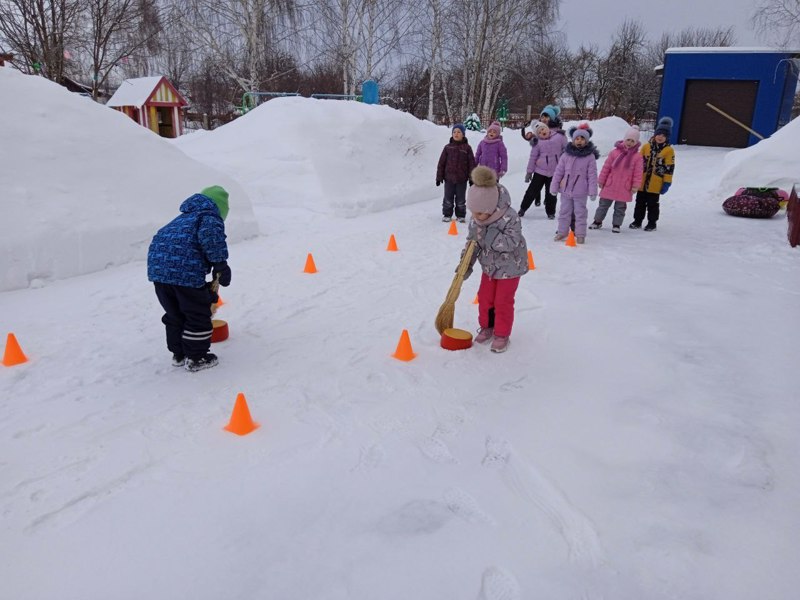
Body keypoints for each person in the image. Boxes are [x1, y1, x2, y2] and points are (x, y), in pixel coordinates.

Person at [147, 186, 232, 372]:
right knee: (197, 314)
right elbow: (212, 240)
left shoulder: (182, 218)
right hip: (185, 272)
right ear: (219, 207)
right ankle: (197, 357)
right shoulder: (208, 217)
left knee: (175, 314)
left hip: (158, 272)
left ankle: (179, 354)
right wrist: (220, 264)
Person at [461, 166, 529, 353]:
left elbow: (512, 241)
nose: (476, 217)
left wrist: (490, 236)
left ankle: (501, 334)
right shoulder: (477, 219)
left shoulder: (510, 217)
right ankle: (487, 327)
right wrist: (465, 264)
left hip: (510, 267)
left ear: (491, 208)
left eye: (481, 213)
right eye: (473, 212)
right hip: (489, 267)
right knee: (485, 298)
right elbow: (472, 242)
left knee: (503, 301)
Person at [550, 122, 598, 244]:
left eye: (582, 138)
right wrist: (554, 186)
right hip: (566, 191)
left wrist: (592, 191)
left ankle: (580, 234)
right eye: (577, 138)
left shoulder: (590, 157)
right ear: (573, 140)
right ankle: (562, 232)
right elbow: (558, 172)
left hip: (580, 192)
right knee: (564, 212)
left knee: (580, 213)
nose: (579, 141)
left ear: (586, 141)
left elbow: (592, 175)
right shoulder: (566, 155)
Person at [590, 125, 644, 233]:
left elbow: (638, 173)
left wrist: (635, 186)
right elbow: (606, 167)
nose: (629, 143)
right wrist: (601, 180)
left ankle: (616, 224)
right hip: (611, 184)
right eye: (628, 140)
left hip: (625, 186)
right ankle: (597, 221)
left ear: (636, 142)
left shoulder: (637, 157)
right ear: (624, 140)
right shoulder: (614, 152)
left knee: (620, 208)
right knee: (603, 205)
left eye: (632, 141)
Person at [630, 116, 675, 231]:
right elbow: (637, 163)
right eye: (659, 134)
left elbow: (669, 168)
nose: (660, 137)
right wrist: (633, 177)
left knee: (652, 205)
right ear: (655, 134)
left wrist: (667, 183)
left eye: (664, 135)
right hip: (642, 182)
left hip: (656, 184)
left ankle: (652, 222)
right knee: (639, 203)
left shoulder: (668, 151)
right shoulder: (646, 147)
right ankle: (637, 221)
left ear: (667, 137)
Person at [519, 120, 567, 219]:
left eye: (543, 129)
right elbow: (533, 158)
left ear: (547, 128)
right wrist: (529, 172)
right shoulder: (537, 143)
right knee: (532, 191)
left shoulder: (559, 137)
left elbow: (566, 150)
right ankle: (523, 208)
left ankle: (550, 212)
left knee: (551, 193)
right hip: (539, 172)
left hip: (555, 172)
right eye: (539, 132)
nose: (542, 132)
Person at [436, 123, 476, 223]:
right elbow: (441, 163)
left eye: (459, 132)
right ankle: (447, 214)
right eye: (454, 132)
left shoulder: (467, 148)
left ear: (463, 134)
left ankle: (461, 215)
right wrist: (439, 177)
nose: (456, 134)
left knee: (461, 199)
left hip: (462, 179)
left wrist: (472, 179)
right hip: (448, 178)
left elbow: (472, 164)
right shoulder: (447, 148)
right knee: (448, 198)